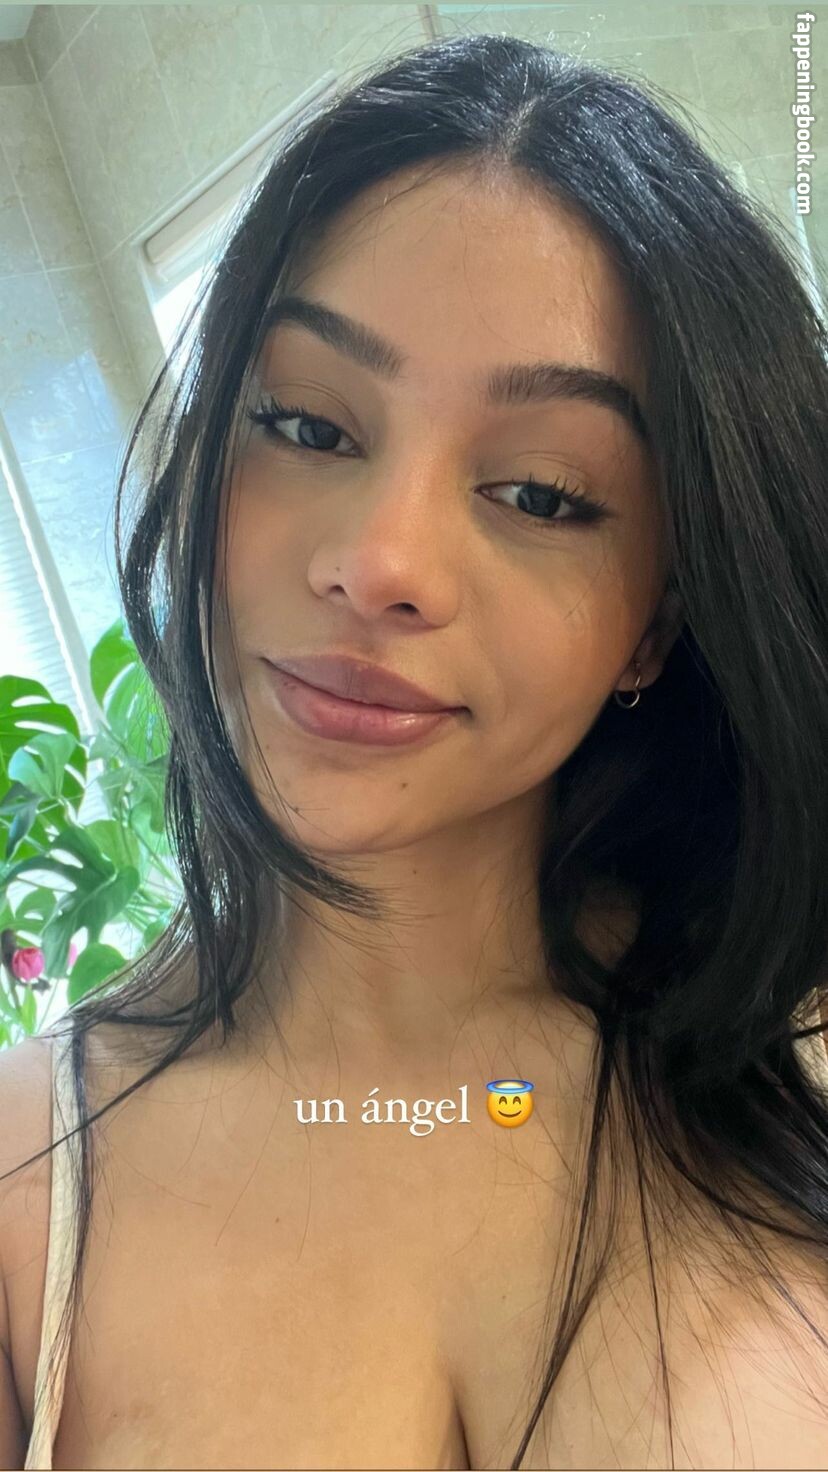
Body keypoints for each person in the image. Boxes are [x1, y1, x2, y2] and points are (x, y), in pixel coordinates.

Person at [2, 31, 827, 1472]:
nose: (380, 560)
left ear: (657, 622)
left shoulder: (800, 1050)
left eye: (540, 493)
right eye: (306, 424)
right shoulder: (29, 1180)